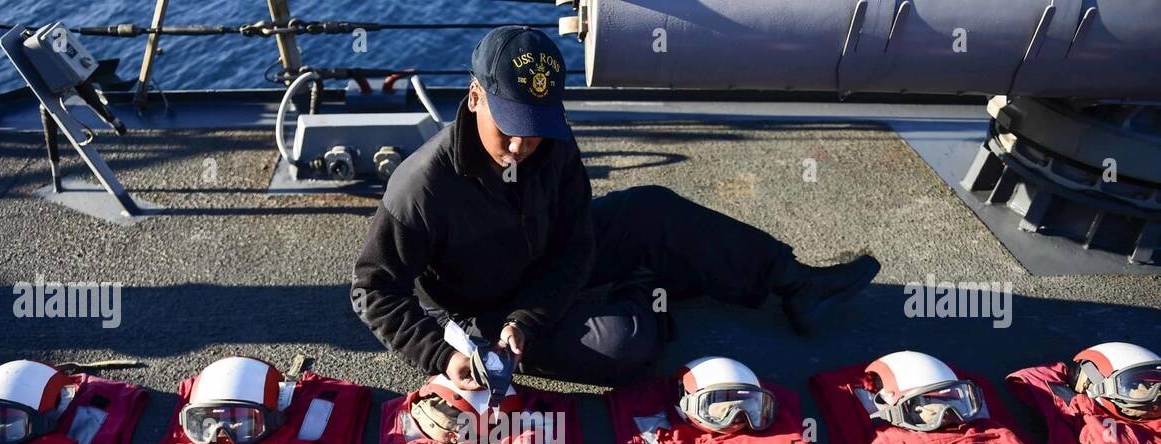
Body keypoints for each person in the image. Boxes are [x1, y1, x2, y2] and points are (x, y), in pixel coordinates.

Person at [351, 25, 881, 388]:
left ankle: (795, 285)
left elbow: (578, 237)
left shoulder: (551, 142)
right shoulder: (421, 186)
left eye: (534, 130)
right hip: (490, 310)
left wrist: (540, 306)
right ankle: (648, 293)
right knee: (626, 344)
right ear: (474, 98)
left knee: (653, 209)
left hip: (547, 263)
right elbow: (374, 290)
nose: (520, 146)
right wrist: (446, 356)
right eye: (509, 127)